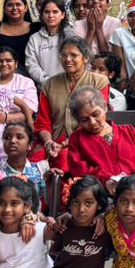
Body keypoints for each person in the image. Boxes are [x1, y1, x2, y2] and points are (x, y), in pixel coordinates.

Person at [64, 87, 135, 195]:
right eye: (84, 120)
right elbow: (78, 170)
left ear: (105, 107)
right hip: (100, 197)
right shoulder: (76, 139)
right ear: (77, 120)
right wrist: (105, 180)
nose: (92, 122)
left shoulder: (129, 132)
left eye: (96, 114)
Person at [34, 38, 110, 171]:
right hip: (54, 141)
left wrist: (65, 144)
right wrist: (48, 142)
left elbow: (97, 118)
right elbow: (43, 123)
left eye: (74, 55)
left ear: (85, 58)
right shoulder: (50, 84)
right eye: (63, 55)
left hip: (87, 138)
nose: (67, 59)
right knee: (32, 161)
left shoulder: (100, 82)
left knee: (64, 159)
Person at [23, 0, 71, 86]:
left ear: (63, 15)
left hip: (68, 86)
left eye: (55, 12)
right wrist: (47, 81)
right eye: (47, 12)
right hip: (44, 88)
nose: (51, 15)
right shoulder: (35, 39)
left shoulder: (71, 36)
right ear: (42, 15)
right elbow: (31, 65)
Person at [0, 0, 37, 67]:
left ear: (26, 8)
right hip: (0, 74)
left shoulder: (35, 29)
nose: (14, 8)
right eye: (10, 5)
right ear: (5, 9)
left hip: (30, 74)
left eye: (18, 4)